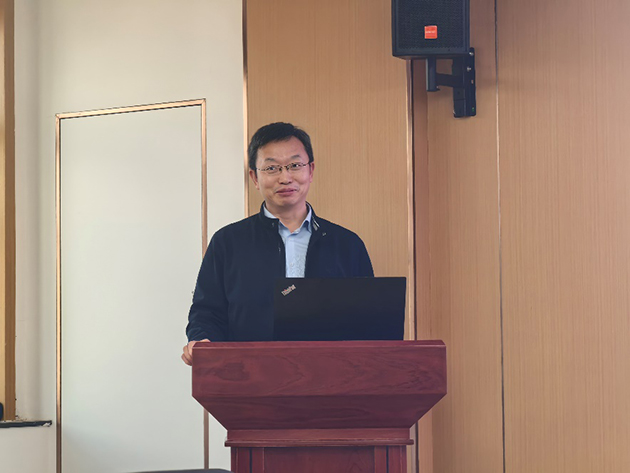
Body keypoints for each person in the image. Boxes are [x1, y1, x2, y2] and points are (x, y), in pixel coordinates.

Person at [182, 122, 373, 365]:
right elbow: (206, 313)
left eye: (295, 165)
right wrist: (202, 340)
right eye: (272, 168)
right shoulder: (227, 242)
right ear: (255, 177)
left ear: (311, 170)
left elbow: (368, 320)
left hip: (330, 376)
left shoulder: (347, 244)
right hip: (249, 376)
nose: (285, 178)